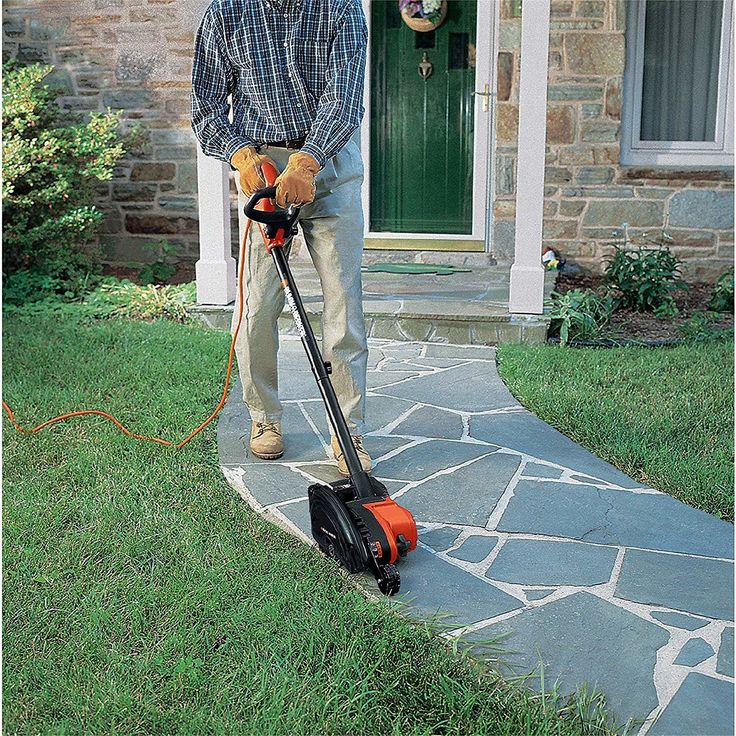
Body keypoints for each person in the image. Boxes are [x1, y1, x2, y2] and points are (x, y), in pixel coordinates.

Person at [191, 0, 371, 476]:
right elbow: (206, 107)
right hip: (263, 168)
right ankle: (265, 418)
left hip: (327, 162)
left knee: (342, 301)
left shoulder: (341, 8)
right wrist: (240, 155)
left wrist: (308, 160)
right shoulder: (226, 12)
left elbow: (345, 97)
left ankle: (347, 430)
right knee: (258, 304)